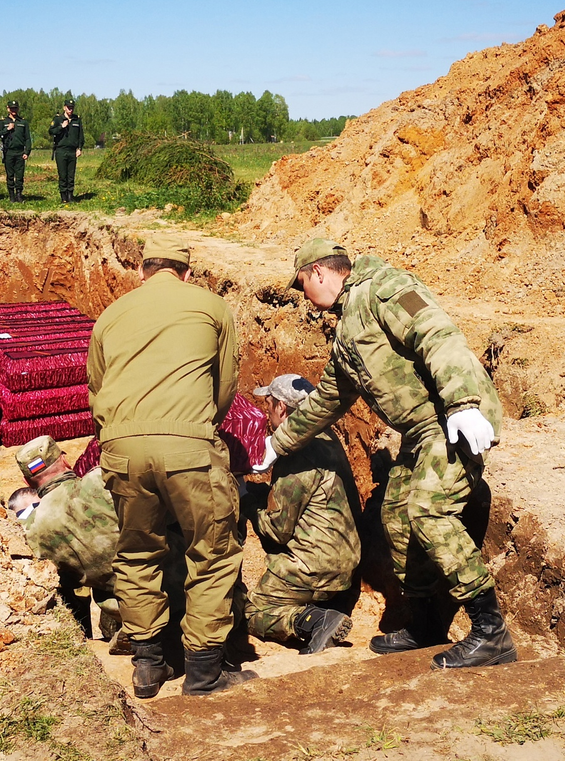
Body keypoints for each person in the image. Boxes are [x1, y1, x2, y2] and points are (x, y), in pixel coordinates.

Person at [267, 238, 516, 669]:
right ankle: (425, 624)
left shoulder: (383, 289)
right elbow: (329, 397)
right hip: (421, 430)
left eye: (303, 283)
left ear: (321, 274)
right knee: (397, 514)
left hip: (452, 415)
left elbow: (437, 335)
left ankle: (491, 631)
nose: (305, 296)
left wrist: (463, 404)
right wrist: (277, 444)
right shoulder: (347, 327)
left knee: (428, 510)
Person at [87, 234, 249, 698]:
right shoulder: (212, 308)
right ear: (186, 274)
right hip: (189, 447)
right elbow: (225, 385)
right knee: (212, 553)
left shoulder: (111, 315)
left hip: (122, 448)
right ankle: (203, 671)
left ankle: (148, 666)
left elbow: (96, 387)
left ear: (142, 272)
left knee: (137, 553)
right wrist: (199, 427)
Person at [244, 373, 360, 655]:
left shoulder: (296, 455)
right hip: (347, 564)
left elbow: (278, 529)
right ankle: (322, 606)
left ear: (281, 408)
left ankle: (311, 620)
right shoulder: (327, 438)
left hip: (315, 567)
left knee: (252, 612)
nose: (266, 411)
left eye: (269, 404)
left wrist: (246, 501)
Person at [7, 436, 126, 650]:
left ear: (27, 482)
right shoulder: (102, 479)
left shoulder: (33, 531)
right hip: (167, 580)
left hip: (122, 607)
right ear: (66, 461)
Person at [48, 97, 83, 204]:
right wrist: (61, 127)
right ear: (64, 108)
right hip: (61, 150)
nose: (70, 110)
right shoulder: (58, 119)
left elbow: (80, 136)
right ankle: (63, 197)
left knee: (71, 175)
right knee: (63, 175)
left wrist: (79, 148)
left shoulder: (77, 120)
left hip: (72, 151)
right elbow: (51, 131)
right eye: (68, 108)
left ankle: (70, 196)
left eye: (72, 108)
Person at [0, 100, 31, 202]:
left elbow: (27, 138)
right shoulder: (3, 122)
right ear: (8, 109)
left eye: (15, 108)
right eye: (12, 108)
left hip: (20, 152)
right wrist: (7, 129)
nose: (14, 110)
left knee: (20, 175)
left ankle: (19, 195)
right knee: (10, 175)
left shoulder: (23, 122)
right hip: (9, 152)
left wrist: (27, 152)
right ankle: (11, 196)